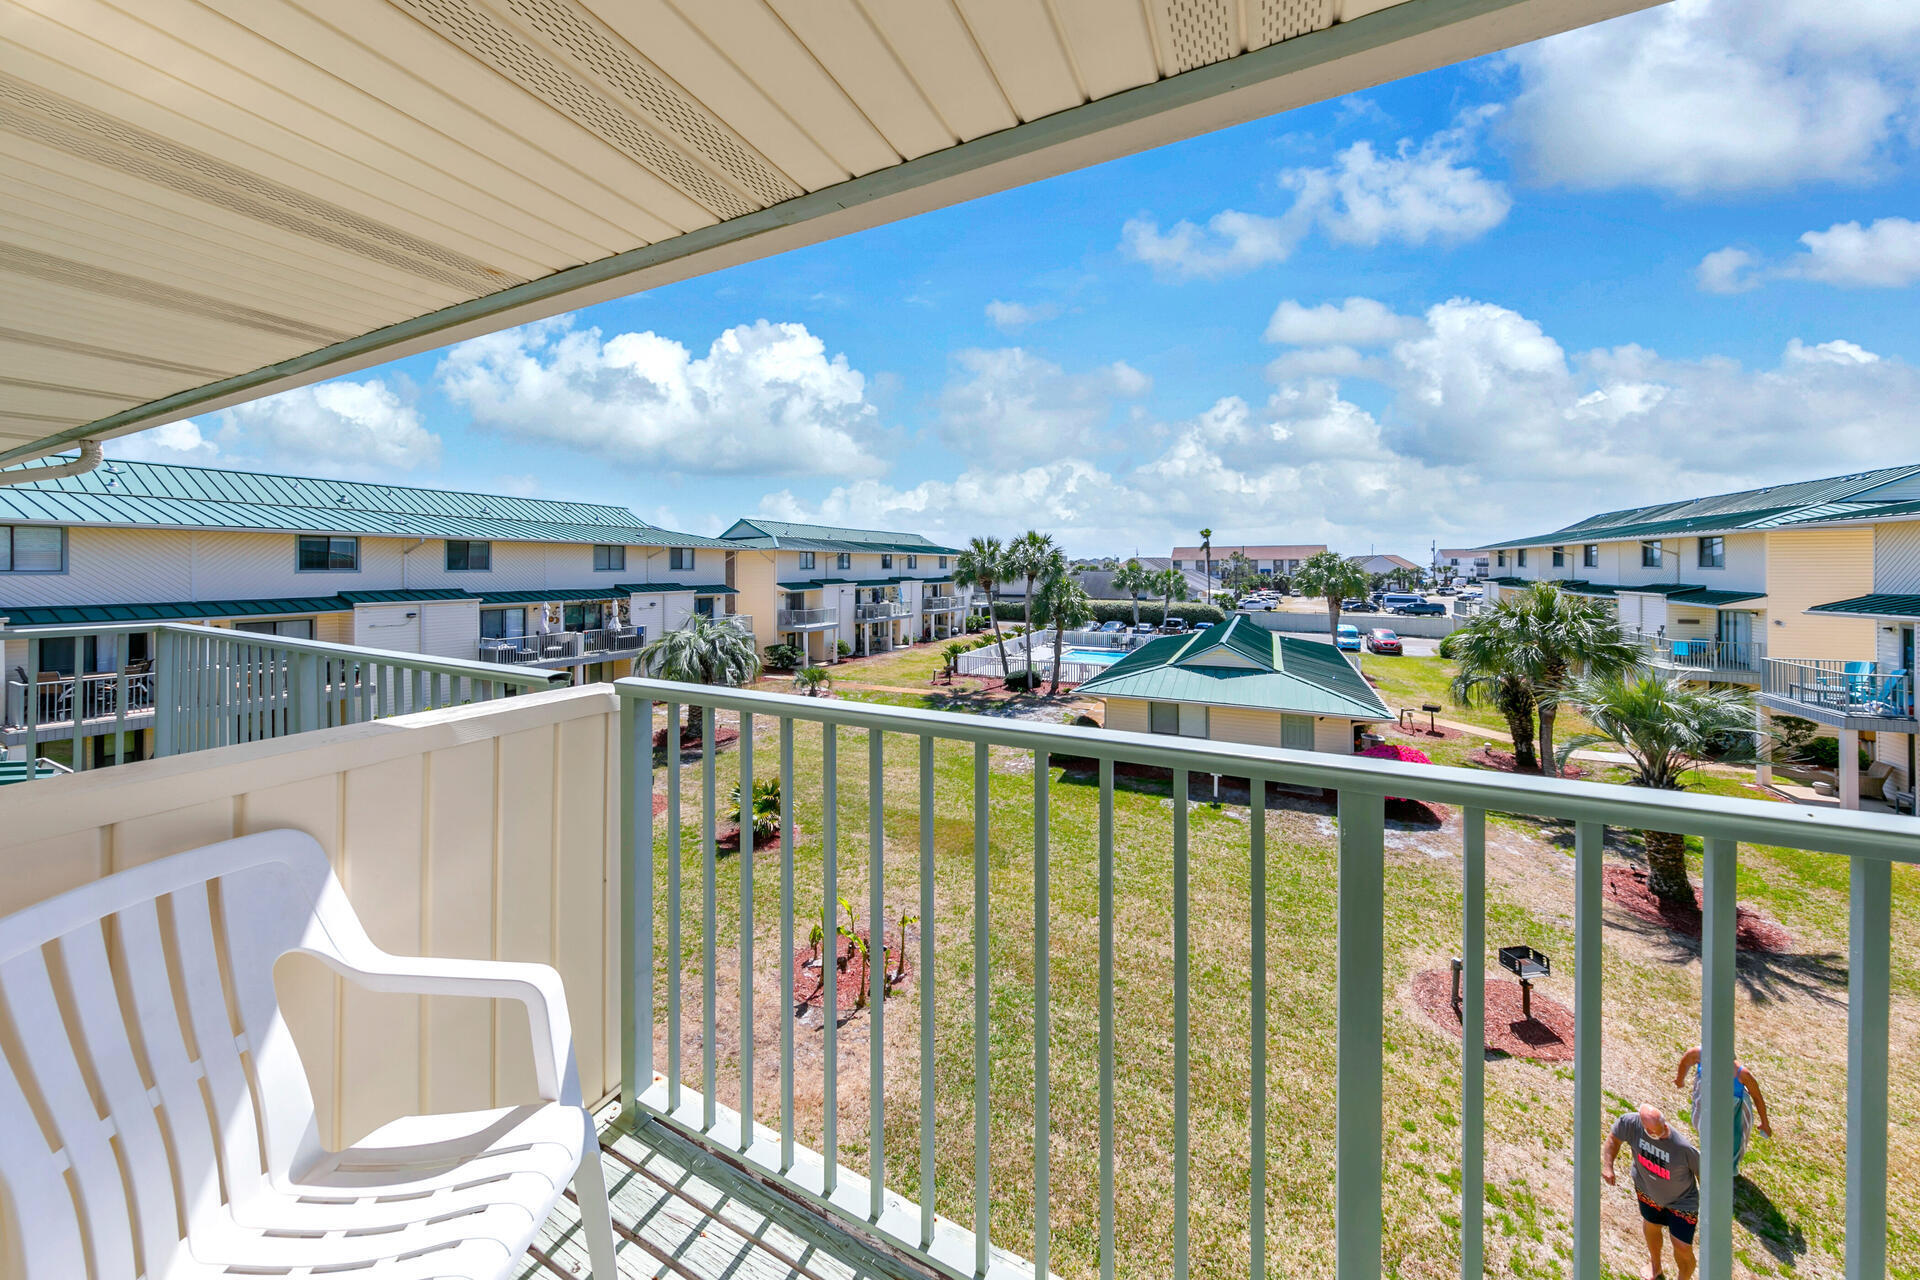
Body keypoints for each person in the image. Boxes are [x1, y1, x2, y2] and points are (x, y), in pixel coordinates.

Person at [1604, 1103, 1700, 1280]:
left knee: (1682, 1246)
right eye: (1653, 1133)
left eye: (1661, 1130)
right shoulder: (1631, 1124)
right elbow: (1613, 1139)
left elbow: (1703, 1174)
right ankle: (1655, 1266)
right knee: (1651, 1224)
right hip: (1647, 1190)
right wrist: (1608, 1166)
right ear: (1643, 1125)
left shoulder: (1683, 1148)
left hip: (1682, 1201)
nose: (1659, 1135)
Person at [1674, 1046, 1771, 1173]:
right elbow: (1685, 1061)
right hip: (1706, 1106)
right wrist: (1680, 1080)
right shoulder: (1699, 1054)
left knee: (1732, 1143)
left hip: (1731, 1113)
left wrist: (1765, 1123)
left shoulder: (1742, 1074)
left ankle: (1726, 1169)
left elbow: (1757, 1097)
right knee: (1707, 1133)